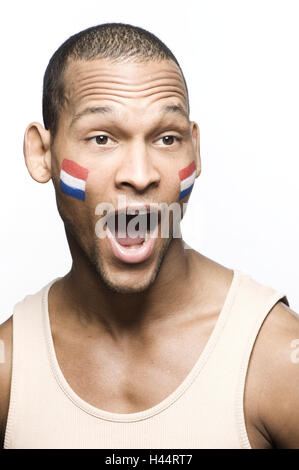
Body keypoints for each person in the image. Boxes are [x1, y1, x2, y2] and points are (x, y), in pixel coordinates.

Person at [0, 22, 299, 450]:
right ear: (41, 154)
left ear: (194, 151)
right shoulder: (9, 367)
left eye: (166, 138)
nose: (140, 175)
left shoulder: (275, 357)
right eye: (102, 138)